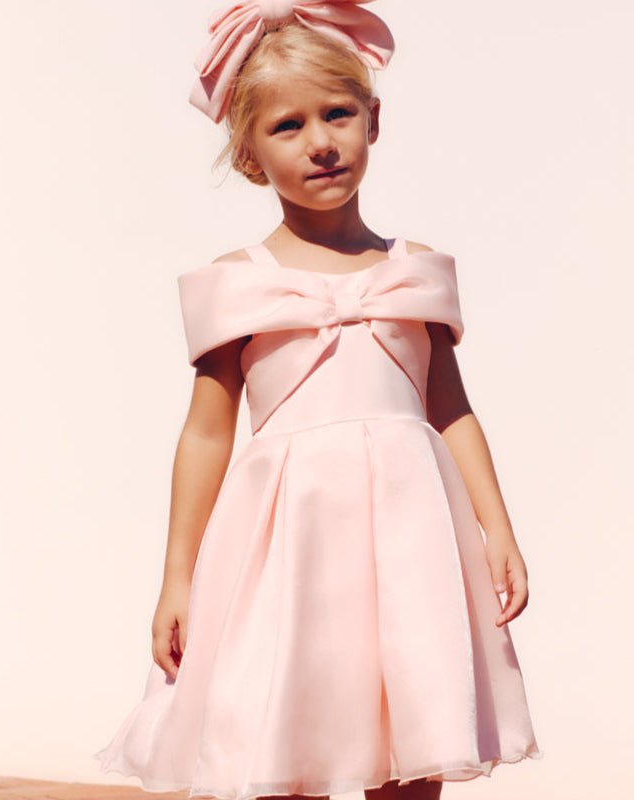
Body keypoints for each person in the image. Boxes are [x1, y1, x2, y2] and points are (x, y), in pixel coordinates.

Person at [94, 2, 543, 799]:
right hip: (288, 543)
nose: (321, 142)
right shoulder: (237, 284)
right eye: (288, 126)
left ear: (375, 120)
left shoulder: (415, 269)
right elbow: (205, 435)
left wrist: (496, 527)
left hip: (409, 540)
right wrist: (177, 576)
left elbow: (450, 409)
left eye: (337, 113)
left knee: (415, 729)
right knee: (281, 736)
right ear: (250, 155)